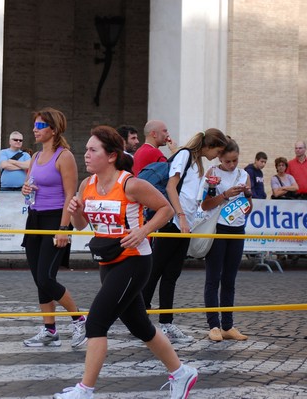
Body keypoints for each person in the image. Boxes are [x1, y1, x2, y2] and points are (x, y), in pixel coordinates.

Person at [54, 125, 197, 399]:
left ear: (110, 156)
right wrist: (76, 211)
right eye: (86, 149)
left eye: (92, 150)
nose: (86, 155)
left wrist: (144, 230)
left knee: (95, 323)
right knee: (140, 326)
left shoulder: (130, 184)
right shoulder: (88, 185)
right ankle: (181, 372)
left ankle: (85, 390)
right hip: (107, 261)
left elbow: (165, 209)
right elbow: (82, 225)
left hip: (134, 262)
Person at [142, 129, 228, 343]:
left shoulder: (197, 162)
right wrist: (180, 216)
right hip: (173, 222)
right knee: (155, 271)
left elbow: (190, 194)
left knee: (171, 274)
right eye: (218, 151)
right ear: (210, 145)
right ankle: (141, 320)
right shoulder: (186, 155)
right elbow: (172, 187)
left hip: (184, 225)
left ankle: (166, 323)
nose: (218, 155)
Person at [21, 107, 86, 348]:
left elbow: (71, 193)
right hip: (34, 218)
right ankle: (50, 330)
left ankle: (79, 319)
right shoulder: (36, 157)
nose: (34, 130)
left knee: (47, 278)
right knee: (39, 279)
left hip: (55, 220)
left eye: (39, 126)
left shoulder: (64, 156)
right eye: (35, 125)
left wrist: (63, 228)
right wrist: (25, 190)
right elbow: (28, 186)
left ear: (53, 129)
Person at [200, 138, 252, 342]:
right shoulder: (212, 173)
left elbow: (249, 209)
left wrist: (247, 196)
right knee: (213, 277)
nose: (232, 165)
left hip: (237, 229)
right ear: (220, 157)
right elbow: (205, 205)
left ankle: (228, 325)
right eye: (228, 161)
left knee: (230, 279)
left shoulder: (244, 174)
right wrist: (225, 195)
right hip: (218, 227)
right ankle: (213, 325)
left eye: (235, 160)